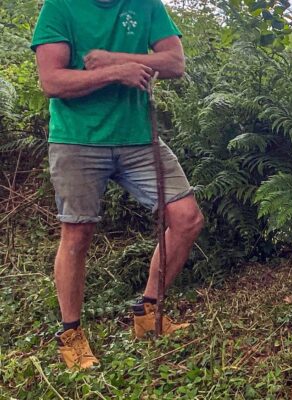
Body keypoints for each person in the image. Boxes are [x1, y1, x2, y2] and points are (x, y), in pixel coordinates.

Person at [31, 0, 204, 369]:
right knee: (77, 233)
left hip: (139, 137)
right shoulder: (60, 7)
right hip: (77, 139)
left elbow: (175, 63)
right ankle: (71, 334)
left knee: (187, 218)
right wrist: (116, 74)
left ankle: (148, 311)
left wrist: (113, 60)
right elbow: (52, 80)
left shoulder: (146, 5)